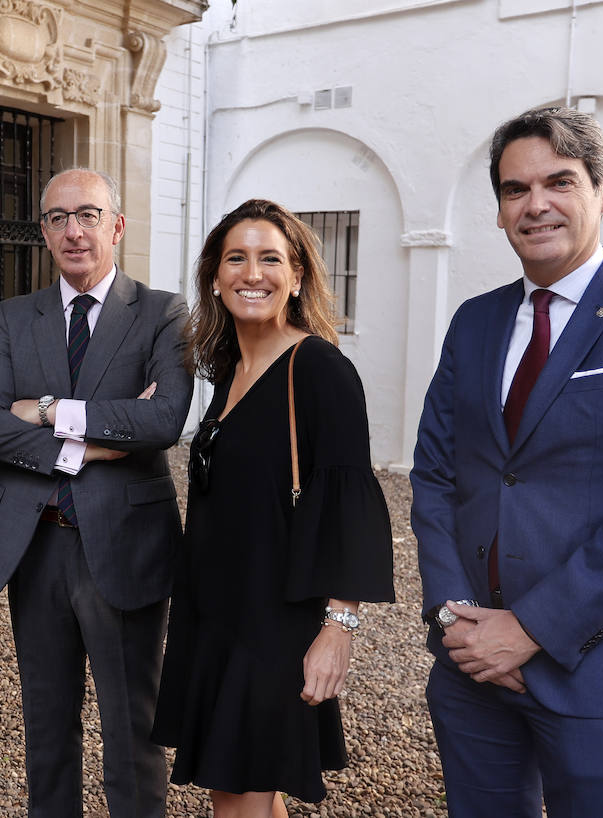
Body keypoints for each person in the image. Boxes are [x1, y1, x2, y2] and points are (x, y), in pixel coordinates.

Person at [411, 106, 603, 817]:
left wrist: (528, 631)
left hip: (599, 674)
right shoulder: (475, 321)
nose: (536, 204)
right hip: (472, 673)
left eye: (560, 182)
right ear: (497, 211)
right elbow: (434, 476)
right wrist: (454, 619)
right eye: (516, 190)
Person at [150, 199, 395, 816]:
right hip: (215, 612)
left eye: (269, 258)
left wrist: (338, 630)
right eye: (236, 257)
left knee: (238, 789)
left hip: (272, 619)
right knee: (238, 786)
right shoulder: (229, 366)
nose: (251, 272)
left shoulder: (319, 370)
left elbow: (352, 507)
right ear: (214, 275)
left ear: (297, 277)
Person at [0, 167, 193, 818]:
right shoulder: (15, 317)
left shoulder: (161, 314)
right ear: (42, 232)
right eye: (58, 218)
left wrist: (44, 412)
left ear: (117, 225)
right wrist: (87, 443)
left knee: (132, 734)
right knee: (46, 734)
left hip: (123, 549)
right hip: (34, 550)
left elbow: (162, 422)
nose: (74, 231)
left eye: (89, 214)